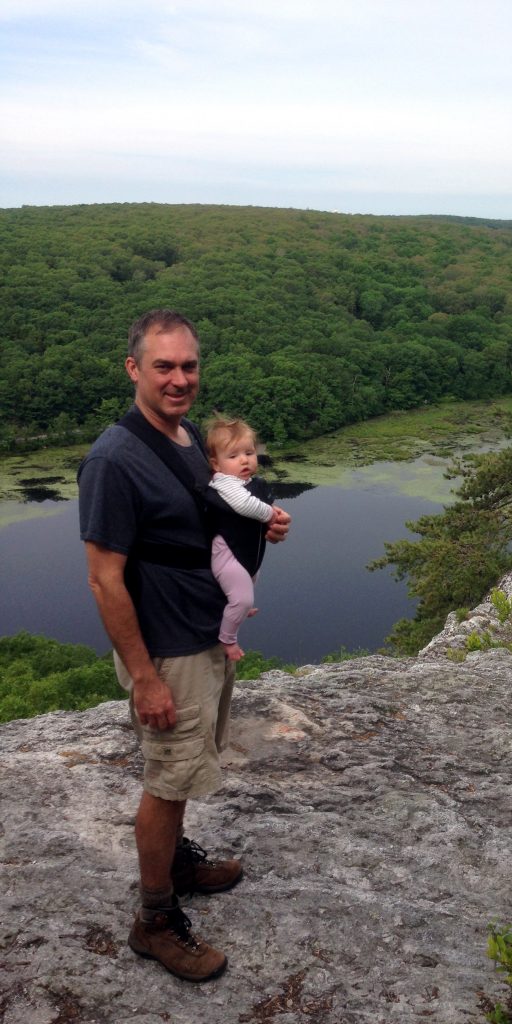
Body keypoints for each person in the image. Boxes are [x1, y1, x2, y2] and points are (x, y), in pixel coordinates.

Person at [77, 309, 291, 982]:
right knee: (167, 782)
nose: (179, 379)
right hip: (165, 647)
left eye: (189, 366)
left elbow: (208, 516)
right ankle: (155, 920)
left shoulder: (188, 437)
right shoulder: (114, 460)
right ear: (133, 368)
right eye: (163, 366)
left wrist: (262, 529)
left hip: (200, 636)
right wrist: (144, 677)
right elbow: (104, 579)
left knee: (188, 762)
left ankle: (174, 862)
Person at [205, 415, 285, 663]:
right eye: (233, 456)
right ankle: (227, 640)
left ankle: (238, 607)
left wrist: (275, 511)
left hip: (245, 552)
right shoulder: (224, 483)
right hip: (227, 553)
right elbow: (245, 505)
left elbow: (257, 499)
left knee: (251, 579)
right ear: (216, 464)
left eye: (249, 453)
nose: (244, 460)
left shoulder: (248, 482)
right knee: (242, 598)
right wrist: (271, 513)